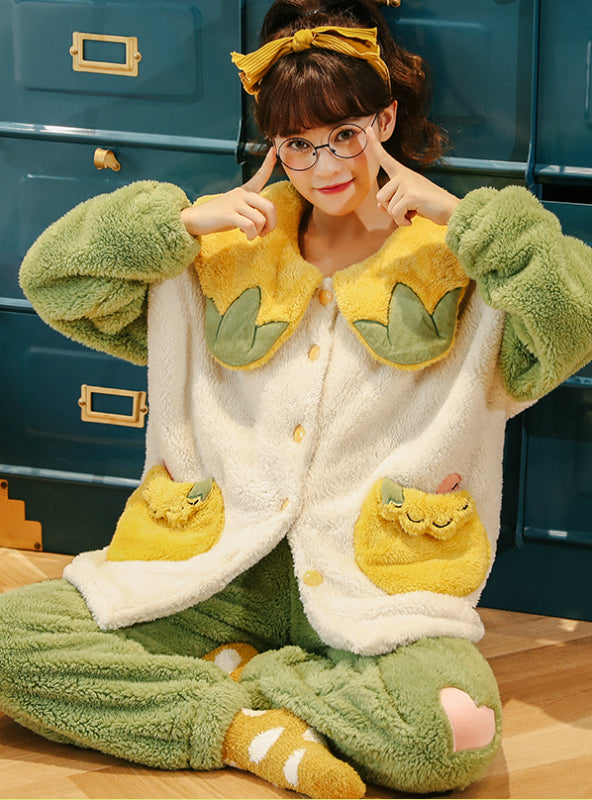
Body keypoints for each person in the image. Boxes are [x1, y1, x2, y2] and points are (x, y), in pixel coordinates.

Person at [2, 0, 592, 796]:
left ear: (386, 120)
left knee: (452, 733)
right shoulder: (218, 254)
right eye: (298, 144)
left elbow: (575, 319)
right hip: (213, 576)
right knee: (9, 643)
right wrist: (177, 223)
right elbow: (53, 279)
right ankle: (241, 728)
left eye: (346, 134)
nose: (325, 165)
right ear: (275, 147)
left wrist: (467, 220)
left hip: (373, 593)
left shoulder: (464, 271)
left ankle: (253, 678)